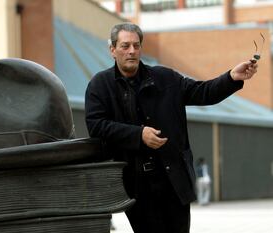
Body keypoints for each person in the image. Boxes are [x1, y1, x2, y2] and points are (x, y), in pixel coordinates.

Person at [84, 22, 258, 233]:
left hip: (173, 180)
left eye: (136, 45)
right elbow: (96, 126)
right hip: (136, 185)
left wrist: (231, 77)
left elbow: (203, 92)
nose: (131, 51)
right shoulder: (100, 85)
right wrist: (138, 135)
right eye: (125, 46)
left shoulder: (165, 78)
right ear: (112, 50)